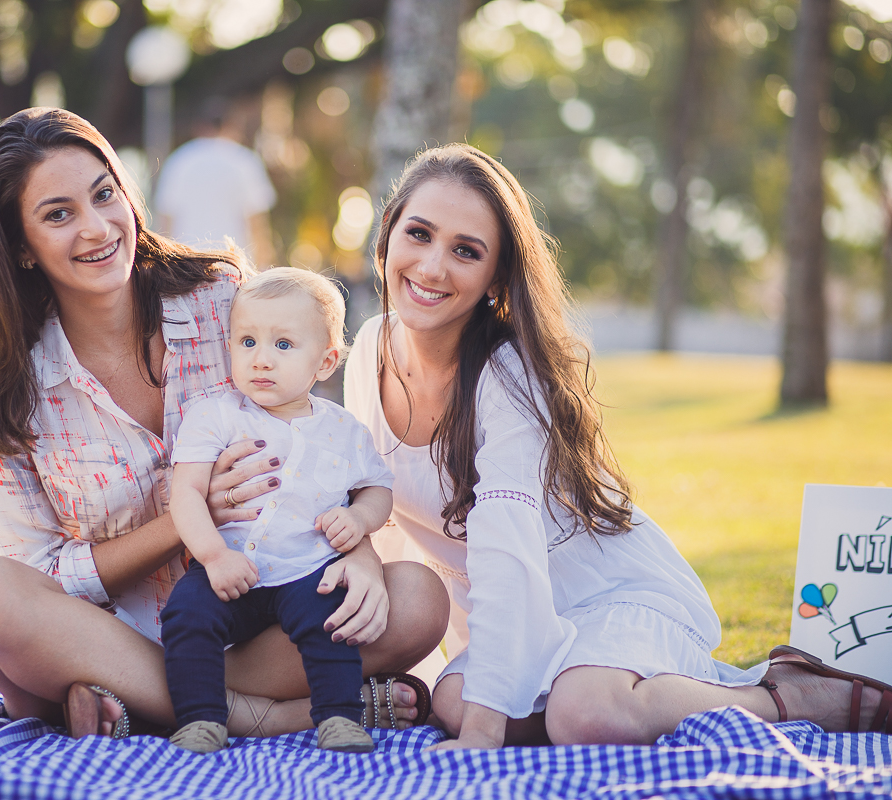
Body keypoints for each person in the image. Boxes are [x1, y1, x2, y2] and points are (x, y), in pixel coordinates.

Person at [343, 143, 892, 750]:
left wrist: (483, 732)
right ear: (389, 230)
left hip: (609, 594)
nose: (432, 267)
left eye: (465, 251)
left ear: (496, 276)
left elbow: (508, 548)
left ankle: (783, 694)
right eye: (418, 234)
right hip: (520, 616)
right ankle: (581, 699)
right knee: (450, 700)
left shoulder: (506, 377)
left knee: (586, 716)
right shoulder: (369, 349)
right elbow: (384, 512)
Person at [0, 108, 447, 742]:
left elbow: (312, 441)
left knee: (416, 599)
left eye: (105, 195)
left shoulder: (220, 300)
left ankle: (135, 705)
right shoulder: (6, 390)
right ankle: (263, 716)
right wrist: (185, 516)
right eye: (58, 214)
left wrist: (363, 557)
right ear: (19, 244)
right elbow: (41, 570)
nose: (97, 228)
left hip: (262, 621)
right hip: (107, 636)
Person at [162, 268, 395, 754]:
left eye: (283, 345)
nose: (261, 359)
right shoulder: (216, 413)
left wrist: (359, 519)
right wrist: (211, 556)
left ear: (325, 360)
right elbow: (185, 492)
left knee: (330, 618)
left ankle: (339, 718)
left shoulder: (343, 429)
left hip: (305, 567)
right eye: (246, 341)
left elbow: (376, 489)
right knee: (188, 613)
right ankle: (201, 720)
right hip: (228, 566)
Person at [154, 98, 276, 268]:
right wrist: (263, 268)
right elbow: (257, 224)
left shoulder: (179, 160)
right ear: (231, 125)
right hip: (236, 266)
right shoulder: (244, 160)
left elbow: (166, 222)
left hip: (188, 267)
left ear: (198, 127)